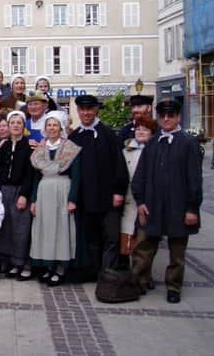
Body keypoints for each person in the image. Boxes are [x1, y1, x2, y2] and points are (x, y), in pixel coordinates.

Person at [132, 99, 203, 303]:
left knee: (177, 251)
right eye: (162, 115)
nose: (166, 119)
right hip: (152, 204)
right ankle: (139, 281)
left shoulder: (188, 143)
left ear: (178, 117)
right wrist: (140, 201)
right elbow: (141, 175)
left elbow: (195, 179)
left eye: (170, 115)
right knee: (144, 247)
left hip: (179, 205)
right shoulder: (153, 142)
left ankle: (174, 286)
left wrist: (192, 208)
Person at [68, 94, 128, 282]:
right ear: (78, 112)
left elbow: (119, 163)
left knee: (111, 235)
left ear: (96, 110)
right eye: (82, 110)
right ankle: (93, 270)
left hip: (107, 196)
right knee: (90, 236)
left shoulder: (108, 134)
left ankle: (109, 271)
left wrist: (119, 190)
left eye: (89, 110)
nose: (86, 113)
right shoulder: (75, 136)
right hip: (85, 197)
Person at [29, 111, 81, 286]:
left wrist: (72, 199)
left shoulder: (70, 147)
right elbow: (36, 177)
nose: (51, 128)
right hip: (44, 191)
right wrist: (34, 200)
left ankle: (60, 268)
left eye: (55, 125)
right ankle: (49, 266)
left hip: (62, 190)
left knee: (61, 229)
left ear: (61, 128)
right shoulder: (40, 149)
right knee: (45, 229)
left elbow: (77, 176)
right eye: (49, 125)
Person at [0, 111, 34, 279]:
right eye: (13, 123)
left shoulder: (28, 146)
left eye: (19, 123)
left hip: (20, 190)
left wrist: (24, 194)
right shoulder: (4, 145)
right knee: (6, 226)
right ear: (9, 126)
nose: (16, 125)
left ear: (24, 126)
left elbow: (30, 173)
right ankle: (9, 261)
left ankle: (22, 262)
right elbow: (1, 168)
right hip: (5, 189)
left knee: (21, 228)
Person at [121, 117, 157, 261]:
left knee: (145, 241)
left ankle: (143, 276)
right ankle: (127, 273)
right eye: (138, 129)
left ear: (152, 133)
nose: (141, 131)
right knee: (127, 236)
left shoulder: (156, 151)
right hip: (129, 199)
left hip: (148, 200)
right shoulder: (126, 151)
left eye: (145, 129)